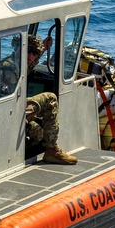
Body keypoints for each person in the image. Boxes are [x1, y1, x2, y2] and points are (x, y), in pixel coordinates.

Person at [25, 33, 77, 166]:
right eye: (28, 52)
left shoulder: (21, 63)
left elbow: (32, 62)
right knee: (50, 99)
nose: (31, 56)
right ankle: (52, 150)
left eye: (34, 53)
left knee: (39, 132)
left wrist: (43, 48)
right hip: (9, 109)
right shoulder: (12, 67)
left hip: (12, 109)